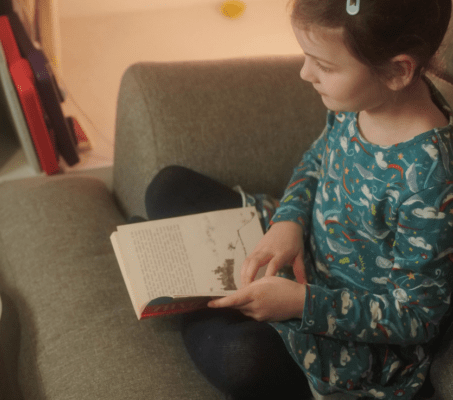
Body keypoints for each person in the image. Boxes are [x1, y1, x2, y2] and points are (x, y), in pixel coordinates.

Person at [142, 0, 453, 398]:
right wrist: (287, 223)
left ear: (397, 70)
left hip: (342, 328)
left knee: (241, 360)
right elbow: (315, 163)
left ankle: (201, 301)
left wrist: (300, 304)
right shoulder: (360, 101)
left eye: (323, 65)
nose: (305, 74)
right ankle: (211, 292)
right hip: (297, 248)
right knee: (168, 186)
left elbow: (417, 317)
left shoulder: (431, 180)